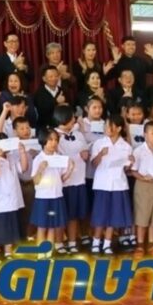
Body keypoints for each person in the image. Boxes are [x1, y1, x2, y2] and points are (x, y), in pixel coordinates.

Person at [89, 114, 134, 255]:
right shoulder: (99, 143)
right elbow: (93, 164)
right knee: (100, 214)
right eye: (106, 126)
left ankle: (107, 243)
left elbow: (126, 169)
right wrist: (100, 155)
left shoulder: (126, 146)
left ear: (119, 128)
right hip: (102, 183)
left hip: (119, 184)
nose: (107, 128)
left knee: (114, 215)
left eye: (111, 126)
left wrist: (130, 163)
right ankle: (96, 242)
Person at [0, 133, 27, 260]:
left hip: (12, 198)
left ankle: (8, 252)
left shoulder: (11, 157)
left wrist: (22, 152)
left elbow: (23, 168)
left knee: (10, 225)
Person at [30, 128, 73, 255]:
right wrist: (40, 169)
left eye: (55, 140)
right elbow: (35, 181)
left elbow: (62, 179)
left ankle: (48, 253)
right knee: (42, 226)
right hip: (43, 197)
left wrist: (70, 169)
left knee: (52, 226)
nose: (53, 143)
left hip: (57, 196)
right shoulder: (38, 159)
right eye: (50, 140)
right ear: (43, 141)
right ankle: (40, 253)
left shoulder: (59, 158)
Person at [53, 106, 88, 254]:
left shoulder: (78, 134)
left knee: (74, 214)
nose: (74, 119)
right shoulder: (54, 135)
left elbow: (85, 152)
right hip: (63, 181)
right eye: (72, 117)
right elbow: (55, 156)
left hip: (79, 179)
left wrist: (84, 155)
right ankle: (59, 242)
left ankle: (72, 242)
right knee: (61, 215)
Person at [131, 121, 153, 256]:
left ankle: (152, 245)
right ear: (145, 135)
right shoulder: (139, 151)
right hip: (144, 186)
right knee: (142, 216)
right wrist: (143, 178)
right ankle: (140, 245)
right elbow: (133, 171)